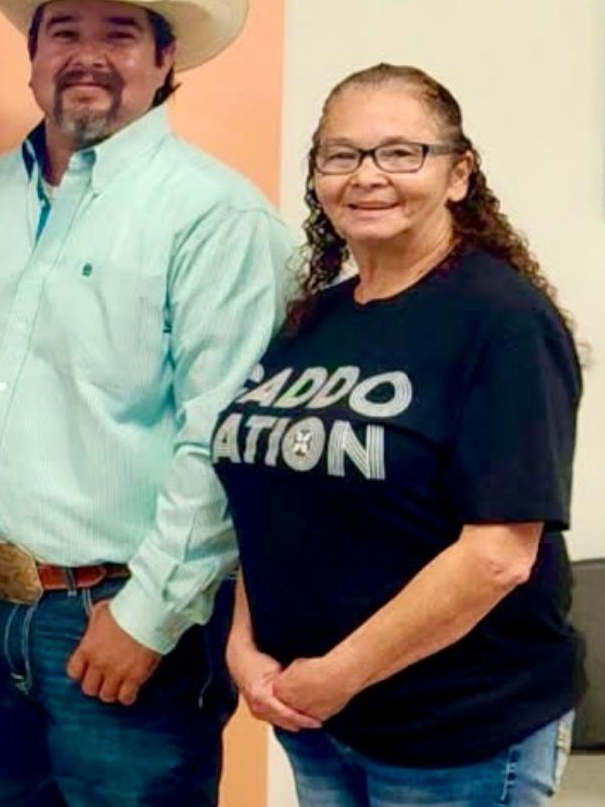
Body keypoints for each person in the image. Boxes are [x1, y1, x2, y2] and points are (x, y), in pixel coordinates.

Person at [0, 0, 293, 807]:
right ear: (32, 53)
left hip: (126, 622)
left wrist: (150, 616)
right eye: (66, 32)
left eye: (120, 34)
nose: (89, 56)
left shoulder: (215, 218)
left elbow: (224, 437)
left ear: (168, 60)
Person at [219, 65, 582, 806]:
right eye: (341, 155)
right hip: (315, 719)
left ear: (459, 174)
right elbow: (273, 497)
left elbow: (498, 557)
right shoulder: (310, 322)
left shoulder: (501, 321)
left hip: (456, 730)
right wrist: (244, 647)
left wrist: (340, 674)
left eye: (400, 153)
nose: (368, 176)